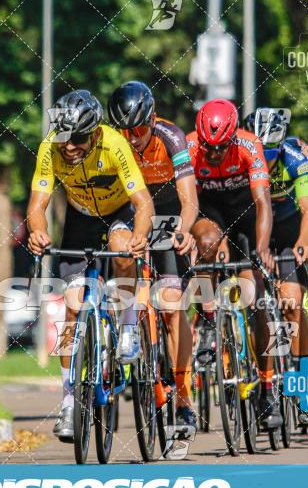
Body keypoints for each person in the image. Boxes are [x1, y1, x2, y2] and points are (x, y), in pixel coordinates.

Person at [27, 90, 154, 441]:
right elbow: (37, 206)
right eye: (65, 138)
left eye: (78, 139)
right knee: (72, 306)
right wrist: (38, 232)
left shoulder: (114, 144)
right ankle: (68, 400)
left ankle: (128, 326)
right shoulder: (50, 146)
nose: (70, 147)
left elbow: (143, 202)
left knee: (122, 248)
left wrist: (140, 236)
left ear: (95, 133)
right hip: (80, 219)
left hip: (118, 214)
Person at [108, 80, 199, 430]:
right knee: (120, 253)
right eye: (125, 131)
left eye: (140, 129)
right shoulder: (115, 143)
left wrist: (183, 229)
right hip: (129, 211)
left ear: (153, 119)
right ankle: (127, 323)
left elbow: (189, 200)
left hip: (167, 215)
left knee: (174, 305)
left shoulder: (171, 137)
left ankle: (183, 396)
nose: (132, 138)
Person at [187, 99, 281, 429]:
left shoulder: (248, 144)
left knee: (254, 300)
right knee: (206, 246)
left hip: (245, 211)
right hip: (209, 210)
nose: (212, 154)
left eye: (220, 148)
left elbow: (262, 201)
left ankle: (267, 387)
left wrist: (261, 248)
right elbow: (185, 199)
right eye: (207, 147)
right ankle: (211, 319)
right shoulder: (189, 146)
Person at [245, 108, 308, 425]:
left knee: (291, 302)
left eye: (270, 152)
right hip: (256, 231)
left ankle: (303, 384)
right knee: (255, 302)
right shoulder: (242, 158)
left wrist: (303, 242)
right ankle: (265, 382)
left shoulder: (293, 157)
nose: (266, 159)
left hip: (288, 232)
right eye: (261, 152)